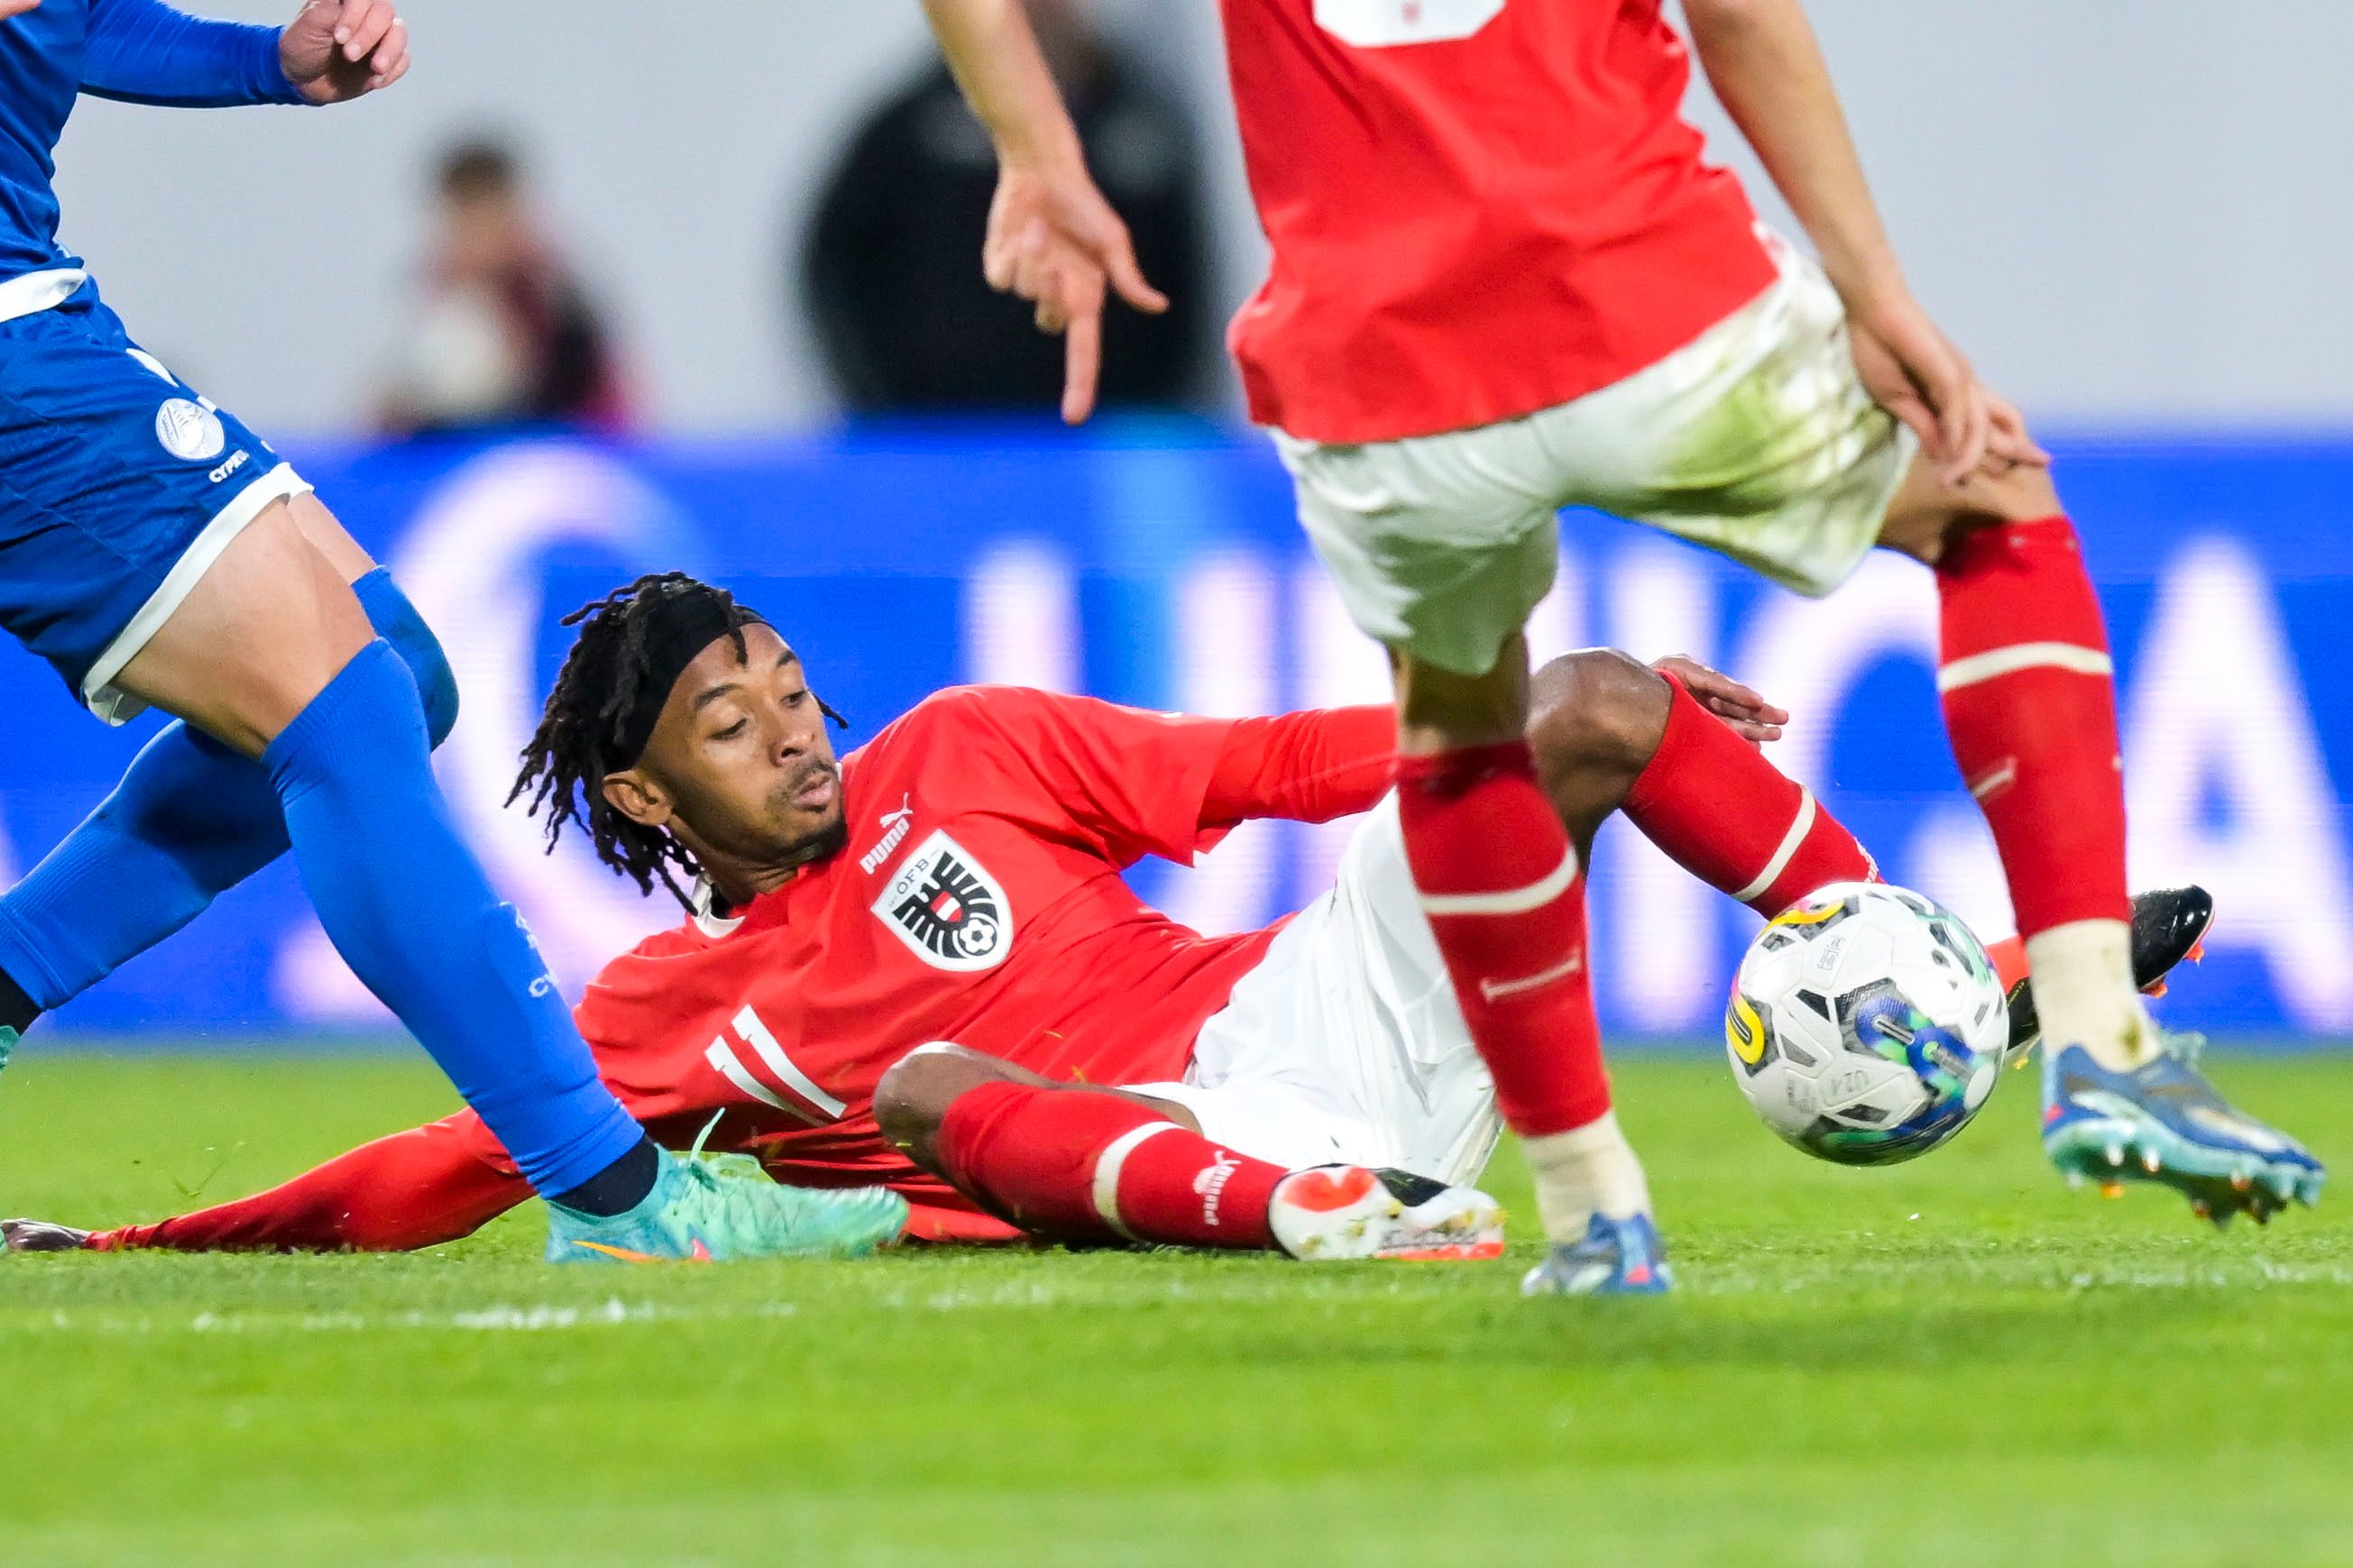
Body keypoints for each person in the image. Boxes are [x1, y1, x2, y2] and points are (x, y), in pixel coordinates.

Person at [910, 0, 2325, 1260]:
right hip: (1623, 273)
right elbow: (1741, 20)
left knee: (1461, 739)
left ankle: (1590, 1200)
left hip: (1374, 356)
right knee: (1991, 508)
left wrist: (1033, 152)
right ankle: (2100, 1036)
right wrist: (1874, 288)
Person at [4, 573, 2211, 1266]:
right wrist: (145, 1248)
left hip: (1315, 1002)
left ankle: (1945, 976)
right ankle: (1336, 1213)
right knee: (951, 1086)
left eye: (777, 673)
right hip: (1209, 1140)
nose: (785, 717)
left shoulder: (968, 742)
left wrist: (1511, 726)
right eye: (722, 715)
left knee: (1600, 702)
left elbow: (1253, 773)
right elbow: (451, 1163)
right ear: (636, 794)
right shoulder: (680, 1003)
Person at [0, 0, 901, 1264]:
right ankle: (614, 1192)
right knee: (340, 711)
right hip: (15, 352)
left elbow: (63, 27)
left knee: (397, 672)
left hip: (38, 304)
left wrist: (261, 64)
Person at [802, 0, 1209, 413]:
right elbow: (836, 260)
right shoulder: (916, 123)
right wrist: (885, 407)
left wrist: (1157, 399)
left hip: (1106, 425)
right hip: (943, 425)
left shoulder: (1138, 119)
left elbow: (1186, 271)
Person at [374, 136, 632, 436]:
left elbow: (580, 402)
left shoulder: (552, 298)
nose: (470, 242)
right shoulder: (441, 301)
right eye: (460, 223)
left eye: (482, 222)